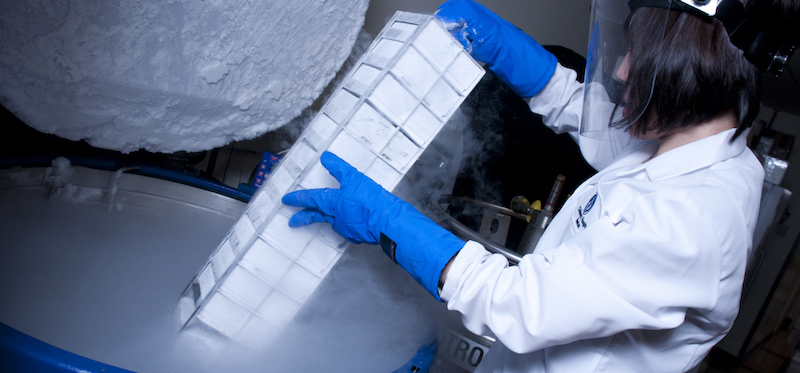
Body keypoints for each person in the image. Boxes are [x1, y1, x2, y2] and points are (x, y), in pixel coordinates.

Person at [282, 0, 799, 371]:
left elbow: (516, 303)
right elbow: (593, 118)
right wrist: (503, 48)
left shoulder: (693, 219)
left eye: (642, 56)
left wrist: (386, 221)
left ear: (702, 71)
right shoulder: (690, 142)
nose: (620, 71)